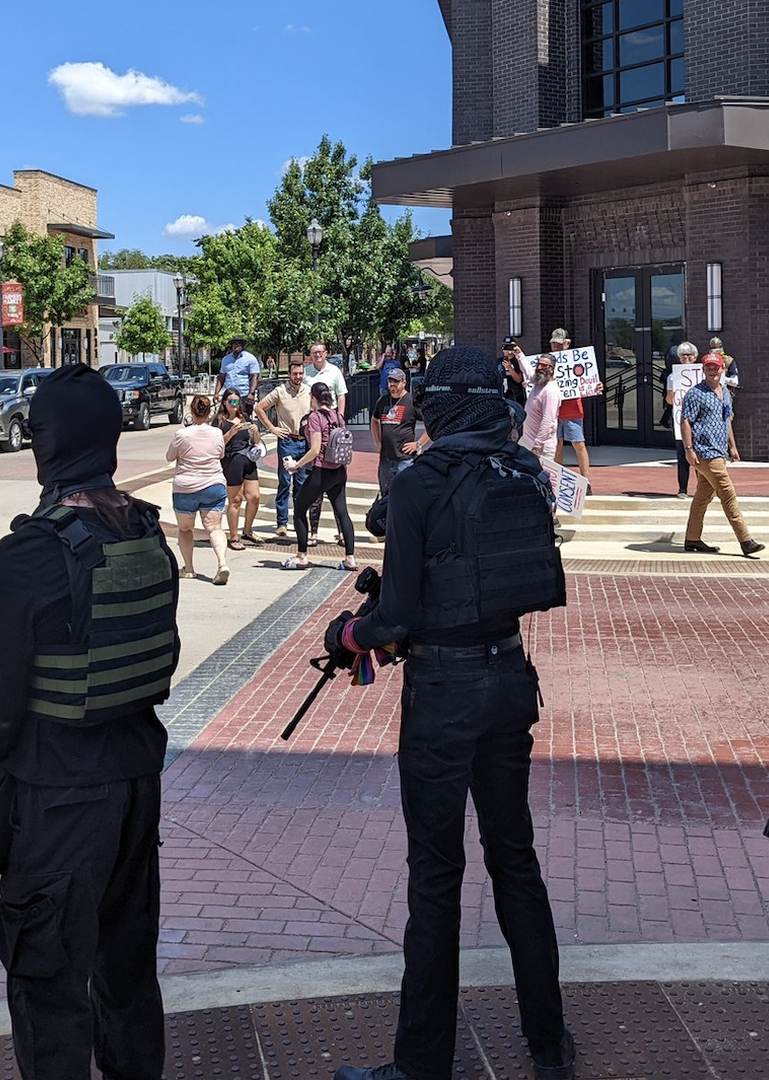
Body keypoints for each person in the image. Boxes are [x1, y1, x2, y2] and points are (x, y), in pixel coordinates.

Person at [327, 346, 572, 1080]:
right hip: (508, 677)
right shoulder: (525, 471)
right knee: (516, 862)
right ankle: (549, 1048)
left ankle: (420, 1063)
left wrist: (350, 635)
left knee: (436, 874)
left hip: (443, 691)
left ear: (437, 403)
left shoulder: (419, 481)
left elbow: (396, 611)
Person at [0, 361, 175, 1080]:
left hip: (58, 795)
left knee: (48, 981)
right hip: (136, 780)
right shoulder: (148, 535)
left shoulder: (29, 552)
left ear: (46, 445)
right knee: (127, 969)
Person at [681, 353, 763, 555]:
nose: (712, 370)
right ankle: (745, 541)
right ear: (703, 369)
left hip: (720, 452)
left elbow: (727, 420)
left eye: (715, 367)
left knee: (702, 498)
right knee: (728, 495)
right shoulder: (695, 393)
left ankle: (692, 539)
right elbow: (685, 421)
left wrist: (733, 447)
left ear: (722, 369)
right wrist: (688, 449)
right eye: (708, 366)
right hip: (704, 452)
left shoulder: (725, 393)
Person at [283, 382, 357, 571]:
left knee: (300, 509)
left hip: (321, 471)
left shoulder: (315, 417)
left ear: (313, 397)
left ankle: (302, 556)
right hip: (339, 471)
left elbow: (315, 449)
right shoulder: (338, 417)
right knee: (342, 513)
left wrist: (296, 465)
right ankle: (350, 558)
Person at [165, 394, 230, 585]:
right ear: (209, 412)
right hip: (213, 484)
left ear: (191, 412)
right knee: (215, 528)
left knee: (185, 529)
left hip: (186, 487)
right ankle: (222, 563)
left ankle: (189, 568)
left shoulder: (181, 434)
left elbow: (170, 457)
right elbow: (221, 453)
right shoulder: (217, 433)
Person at [254, 360, 314, 539]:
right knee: (285, 482)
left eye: (300, 373)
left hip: (304, 442)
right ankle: (281, 522)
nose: (298, 377)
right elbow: (259, 408)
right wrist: (272, 428)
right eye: (295, 374)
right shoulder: (280, 391)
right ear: (289, 374)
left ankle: (299, 520)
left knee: (302, 484)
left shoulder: (308, 391)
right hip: (287, 441)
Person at [549, 329, 598, 485]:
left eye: (559, 344)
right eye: (554, 344)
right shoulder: (546, 362)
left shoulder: (577, 361)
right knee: (556, 445)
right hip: (554, 411)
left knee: (579, 443)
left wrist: (596, 385)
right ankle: (557, 480)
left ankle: (585, 480)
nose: (556, 347)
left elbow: (589, 380)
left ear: (567, 344)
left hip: (573, 410)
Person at [215, 389, 263, 548]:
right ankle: (234, 537)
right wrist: (230, 433)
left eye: (237, 402)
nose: (235, 405)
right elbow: (216, 444)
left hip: (248, 460)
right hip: (231, 461)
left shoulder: (244, 418)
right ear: (224, 403)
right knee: (235, 500)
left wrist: (255, 432)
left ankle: (247, 530)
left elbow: (256, 441)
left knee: (254, 497)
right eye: (231, 402)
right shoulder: (220, 421)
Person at [370, 366, 425, 500]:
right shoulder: (383, 401)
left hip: (404, 460)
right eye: (390, 381)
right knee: (385, 497)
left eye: (396, 381)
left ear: (404, 383)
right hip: (386, 460)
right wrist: (377, 442)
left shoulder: (411, 401)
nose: (392, 384)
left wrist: (418, 444)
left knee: (405, 497)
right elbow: (374, 420)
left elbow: (431, 424)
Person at [666, 341, 701, 498]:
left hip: (699, 421)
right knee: (682, 454)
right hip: (680, 419)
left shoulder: (701, 374)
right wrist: (670, 396)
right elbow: (668, 401)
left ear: (695, 357)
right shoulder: (673, 377)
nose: (686, 358)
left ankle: (703, 489)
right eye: (683, 355)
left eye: (689, 355)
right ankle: (682, 489)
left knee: (701, 456)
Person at [522, 353, 561, 461]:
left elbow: (548, 421)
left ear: (552, 369)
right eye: (538, 364)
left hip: (541, 450)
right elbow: (529, 372)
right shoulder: (539, 382)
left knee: (541, 477)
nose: (539, 368)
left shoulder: (551, 392)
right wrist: (519, 355)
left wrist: (537, 446)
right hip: (528, 442)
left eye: (544, 365)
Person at [304, 342, 348, 415]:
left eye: (320, 352)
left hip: (330, 414)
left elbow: (341, 395)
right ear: (311, 354)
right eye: (314, 352)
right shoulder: (305, 372)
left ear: (325, 353)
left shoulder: (335, 371)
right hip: (310, 414)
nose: (317, 355)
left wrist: (340, 416)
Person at [220, 337, 260, 402]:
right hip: (229, 395)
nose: (237, 345)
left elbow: (255, 377)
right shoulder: (226, 359)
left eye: (239, 344)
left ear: (242, 346)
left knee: (244, 412)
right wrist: (216, 393)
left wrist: (251, 393)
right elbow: (221, 377)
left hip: (244, 395)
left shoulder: (250, 358)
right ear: (232, 346)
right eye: (234, 344)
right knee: (230, 412)